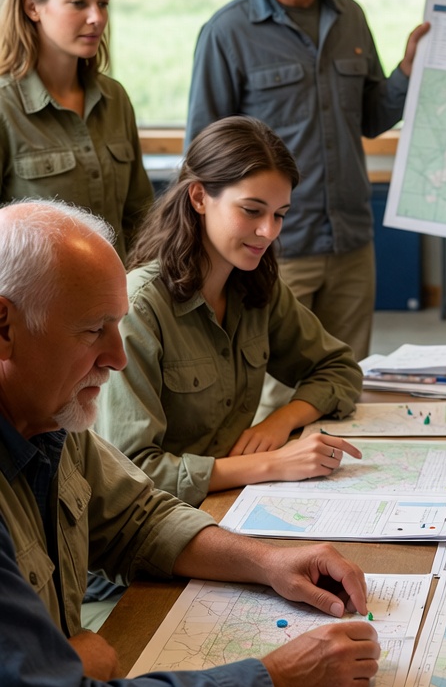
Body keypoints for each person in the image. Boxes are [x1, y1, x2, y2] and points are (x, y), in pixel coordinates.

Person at [0, 199, 380, 687]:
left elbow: (137, 517)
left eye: (117, 324)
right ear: (4, 326)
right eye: (91, 331)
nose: (117, 357)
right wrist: (277, 682)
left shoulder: (49, 415)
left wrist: (266, 561)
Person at [186, 0, 429, 361]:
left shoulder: (350, 17)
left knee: (346, 382)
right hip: (273, 249)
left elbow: (374, 116)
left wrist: (406, 71)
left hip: (352, 242)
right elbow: (203, 154)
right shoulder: (226, 32)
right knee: (275, 394)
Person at [95, 116, 363, 508]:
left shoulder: (256, 287)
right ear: (199, 197)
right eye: (252, 210)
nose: (269, 232)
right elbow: (132, 471)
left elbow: (339, 367)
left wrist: (282, 420)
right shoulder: (140, 307)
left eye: (279, 214)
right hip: (153, 525)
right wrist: (269, 464)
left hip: (228, 502)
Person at [0, 0, 153, 260]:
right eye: (79, 2)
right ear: (33, 7)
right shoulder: (5, 108)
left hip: (121, 303)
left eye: (103, 3)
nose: (97, 17)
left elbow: (140, 220)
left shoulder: (115, 98)